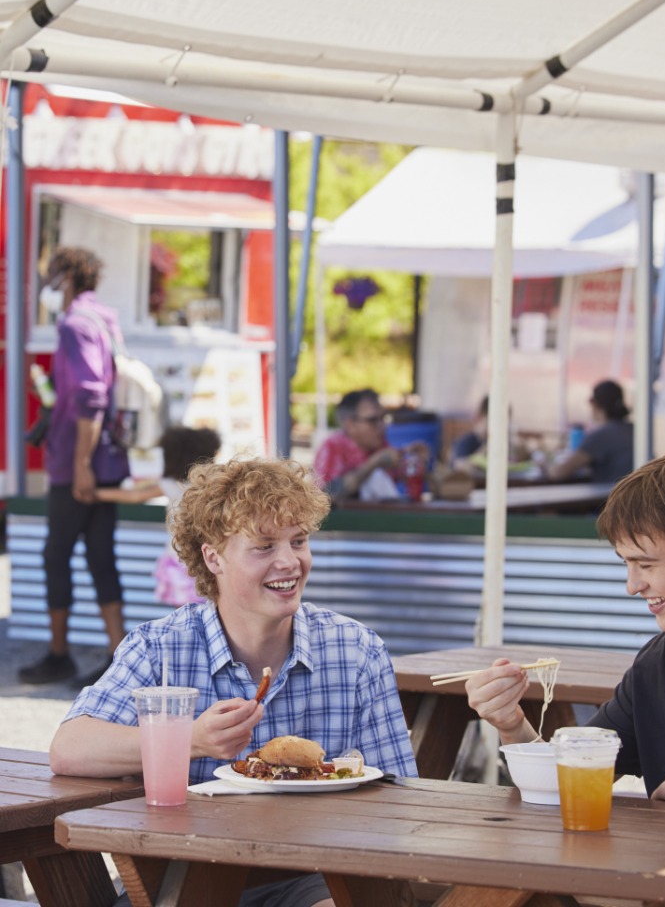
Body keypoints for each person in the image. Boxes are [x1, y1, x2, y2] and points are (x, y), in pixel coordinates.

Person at [50, 456, 417, 907]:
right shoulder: (161, 647)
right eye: (263, 546)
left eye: (298, 541)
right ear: (213, 557)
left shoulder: (356, 649)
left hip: (315, 876)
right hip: (185, 874)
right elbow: (70, 748)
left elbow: (401, 797)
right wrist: (193, 739)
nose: (289, 562)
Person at [466, 446, 665, 814]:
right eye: (626, 564)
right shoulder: (655, 665)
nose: (632, 586)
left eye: (646, 564)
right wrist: (511, 724)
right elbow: (566, 778)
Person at [19, 247, 129, 688]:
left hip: (79, 461)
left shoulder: (74, 324)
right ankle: (118, 656)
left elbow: (89, 396)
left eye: (50, 275)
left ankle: (59, 653)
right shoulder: (104, 318)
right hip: (109, 457)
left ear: (65, 277)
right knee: (101, 554)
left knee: (56, 554)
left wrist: (81, 463)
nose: (46, 284)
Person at [94, 425, 222, 605]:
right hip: (210, 559)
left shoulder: (172, 485)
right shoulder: (210, 485)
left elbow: (134, 495)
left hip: (180, 557)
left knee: (184, 616)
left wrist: (95, 494)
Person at [313, 388, 424, 502]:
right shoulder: (332, 447)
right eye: (373, 420)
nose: (382, 426)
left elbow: (410, 484)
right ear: (350, 424)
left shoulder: (379, 446)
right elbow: (322, 497)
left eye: (383, 419)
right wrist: (373, 464)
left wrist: (416, 461)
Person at [545, 379, 633, 483]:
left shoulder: (601, 436)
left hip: (610, 497)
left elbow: (560, 473)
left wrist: (545, 466)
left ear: (596, 404)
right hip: (637, 495)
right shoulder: (634, 430)